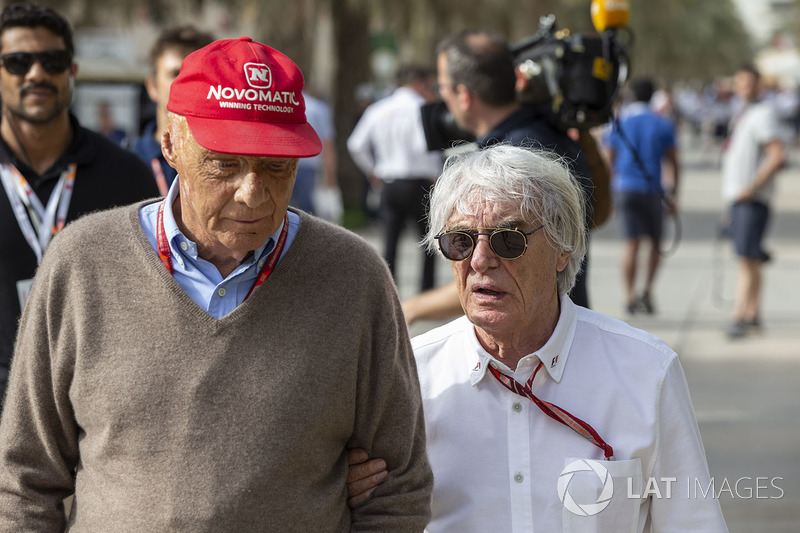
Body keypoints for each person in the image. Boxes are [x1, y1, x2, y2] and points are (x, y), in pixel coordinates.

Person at [0, 36, 432, 529]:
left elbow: (398, 488)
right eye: (224, 164)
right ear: (170, 146)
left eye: (276, 167)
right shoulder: (81, 262)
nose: (252, 194)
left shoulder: (354, 277)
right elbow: (25, 479)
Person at [348, 144, 728, 531]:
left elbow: (693, 522)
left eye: (508, 239)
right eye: (461, 241)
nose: (479, 260)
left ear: (563, 248)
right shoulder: (408, 379)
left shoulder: (646, 372)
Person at [0, 3, 158, 410]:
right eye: (18, 62)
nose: (36, 73)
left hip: (91, 412)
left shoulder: (127, 175)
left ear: (72, 72)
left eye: (52, 60)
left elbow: (151, 300)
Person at [401, 30, 606, 324]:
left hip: (539, 338)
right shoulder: (546, 135)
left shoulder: (522, 158)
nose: (479, 258)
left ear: (464, 94)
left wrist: (412, 308)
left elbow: (496, 275)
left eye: (442, 86)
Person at [347, 64, 442, 292]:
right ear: (419, 83)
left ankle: (388, 292)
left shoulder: (379, 108)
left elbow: (356, 144)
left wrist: (373, 170)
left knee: (390, 242)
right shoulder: (422, 108)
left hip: (389, 182)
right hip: (418, 182)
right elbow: (424, 146)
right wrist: (436, 174)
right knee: (428, 242)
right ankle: (426, 292)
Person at [604, 78, 679, 315]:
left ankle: (629, 296)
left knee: (631, 245)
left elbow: (609, 161)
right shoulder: (662, 123)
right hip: (653, 190)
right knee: (656, 244)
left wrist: (608, 195)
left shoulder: (620, 122)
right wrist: (674, 193)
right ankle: (647, 291)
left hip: (625, 189)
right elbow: (673, 161)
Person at [721, 63, 785, 339]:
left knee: (746, 259)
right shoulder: (744, 114)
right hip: (741, 200)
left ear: (759, 85)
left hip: (751, 201)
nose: (743, 88)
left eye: (749, 83)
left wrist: (752, 187)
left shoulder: (763, 114)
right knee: (753, 259)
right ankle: (753, 314)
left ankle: (740, 317)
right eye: (740, 83)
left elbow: (777, 154)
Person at [132, 25, 214, 195]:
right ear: (152, 86)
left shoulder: (229, 161)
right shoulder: (127, 161)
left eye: (196, 73)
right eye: (175, 73)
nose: (185, 82)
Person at [289, 86, 339, 221]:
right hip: (308, 165)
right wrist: (330, 173)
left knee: (283, 208)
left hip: (283, 162)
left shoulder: (283, 103)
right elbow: (327, 142)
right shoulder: (318, 108)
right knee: (305, 211)